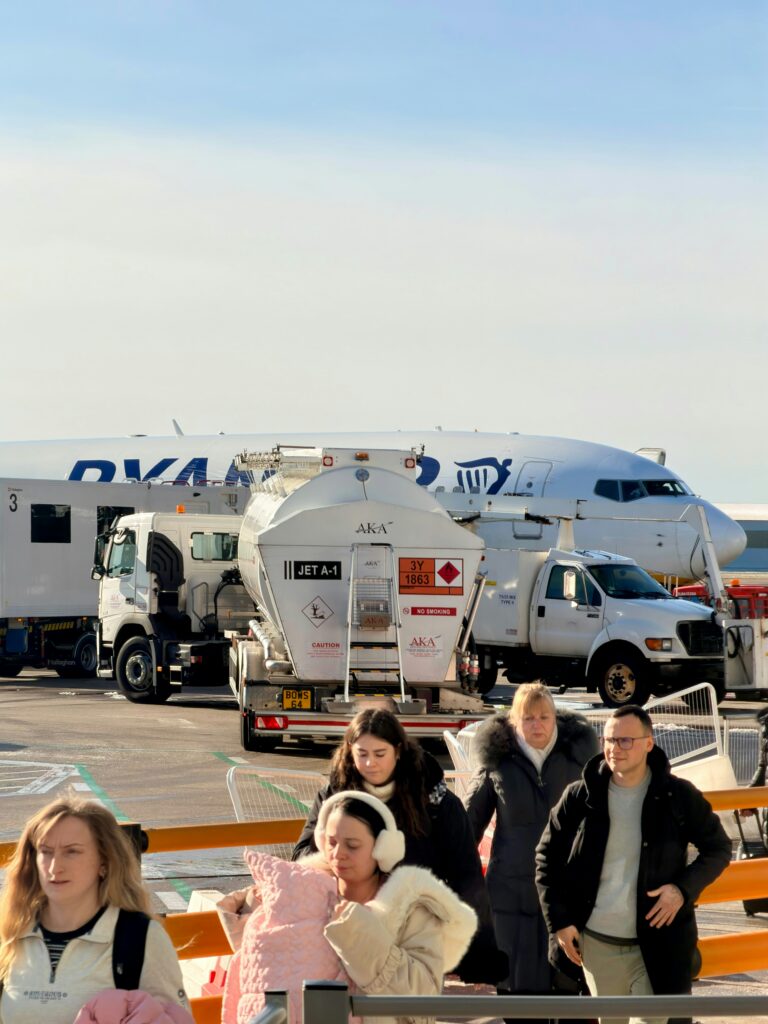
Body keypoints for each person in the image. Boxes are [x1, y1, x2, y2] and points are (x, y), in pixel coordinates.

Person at [535, 705, 732, 1024]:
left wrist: (682, 890)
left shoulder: (677, 795)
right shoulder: (580, 796)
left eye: (626, 740)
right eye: (610, 740)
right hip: (598, 946)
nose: (616, 749)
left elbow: (719, 848)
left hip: (659, 946)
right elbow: (546, 857)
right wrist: (559, 920)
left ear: (649, 743)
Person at [224, 790, 478, 1024]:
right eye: (332, 843)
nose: (338, 854)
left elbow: (423, 998)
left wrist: (359, 936)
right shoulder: (299, 898)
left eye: (352, 845)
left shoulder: (412, 910)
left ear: (382, 848)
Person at [292, 707, 505, 984]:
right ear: (349, 751)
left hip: (414, 929)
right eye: (362, 754)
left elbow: (466, 876)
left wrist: (478, 955)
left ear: (398, 750)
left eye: (379, 754)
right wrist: (344, 854)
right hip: (347, 925)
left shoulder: (436, 802)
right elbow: (303, 855)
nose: (370, 764)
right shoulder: (334, 795)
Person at [463, 682, 599, 1022]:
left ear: (555, 717)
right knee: (518, 996)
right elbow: (468, 824)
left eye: (544, 717)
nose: (537, 725)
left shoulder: (579, 760)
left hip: (567, 894)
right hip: (511, 895)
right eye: (528, 718)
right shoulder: (498, 764)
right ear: (513, 721)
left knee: (572, 992)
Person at [0, 796, 191, 1024]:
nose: (54, 867)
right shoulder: (9, 933)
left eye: (72, 851)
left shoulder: (140, 938)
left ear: (104, 862)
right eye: (46, 851)